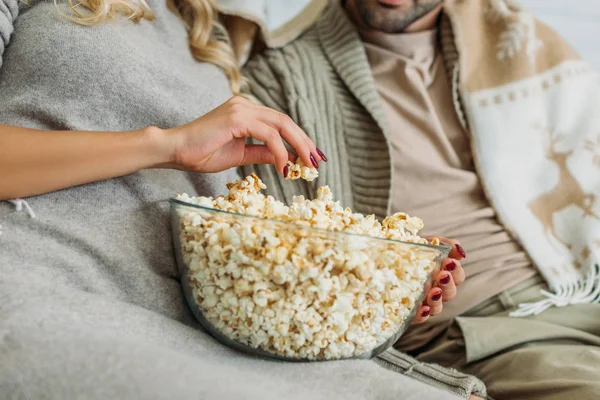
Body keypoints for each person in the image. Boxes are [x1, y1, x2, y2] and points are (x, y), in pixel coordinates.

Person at [0, 0, 467, 399]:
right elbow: (181, 149)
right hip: (55, 284)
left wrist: (368, 264)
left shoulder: (208, 29)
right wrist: (165, 145)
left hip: (202, 319)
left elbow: (239, 223)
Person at [242, 0, 600, 399]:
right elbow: (286, 276)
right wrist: (385, 278)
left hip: (581, 291)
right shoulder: (280, 82)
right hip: (489, 329)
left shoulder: (522, 43)